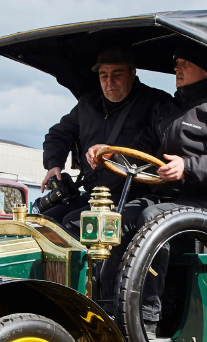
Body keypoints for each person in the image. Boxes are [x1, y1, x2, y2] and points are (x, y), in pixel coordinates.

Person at [87, 46, 207, 334]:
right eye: (176, 62)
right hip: (173, 199)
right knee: (120, 216)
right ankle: (107, 307)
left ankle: (146, 320)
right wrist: (107, 151)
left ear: (205, 68)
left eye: (185, 63)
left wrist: (188, 167)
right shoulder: (170, 109)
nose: (176, 68)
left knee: (154, 217)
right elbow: (141, 149)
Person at [39, 47, 170, 235]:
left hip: (135, 196)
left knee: (74, 224)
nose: (110, 83)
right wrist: (54, 164)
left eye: (117, 75)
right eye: (103, 76)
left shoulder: (156, 103)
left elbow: (156, 145)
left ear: (132, 73)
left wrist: (114, 153)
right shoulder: (87, 103)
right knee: (44, 223)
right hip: (94, 195)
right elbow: (58, 134)